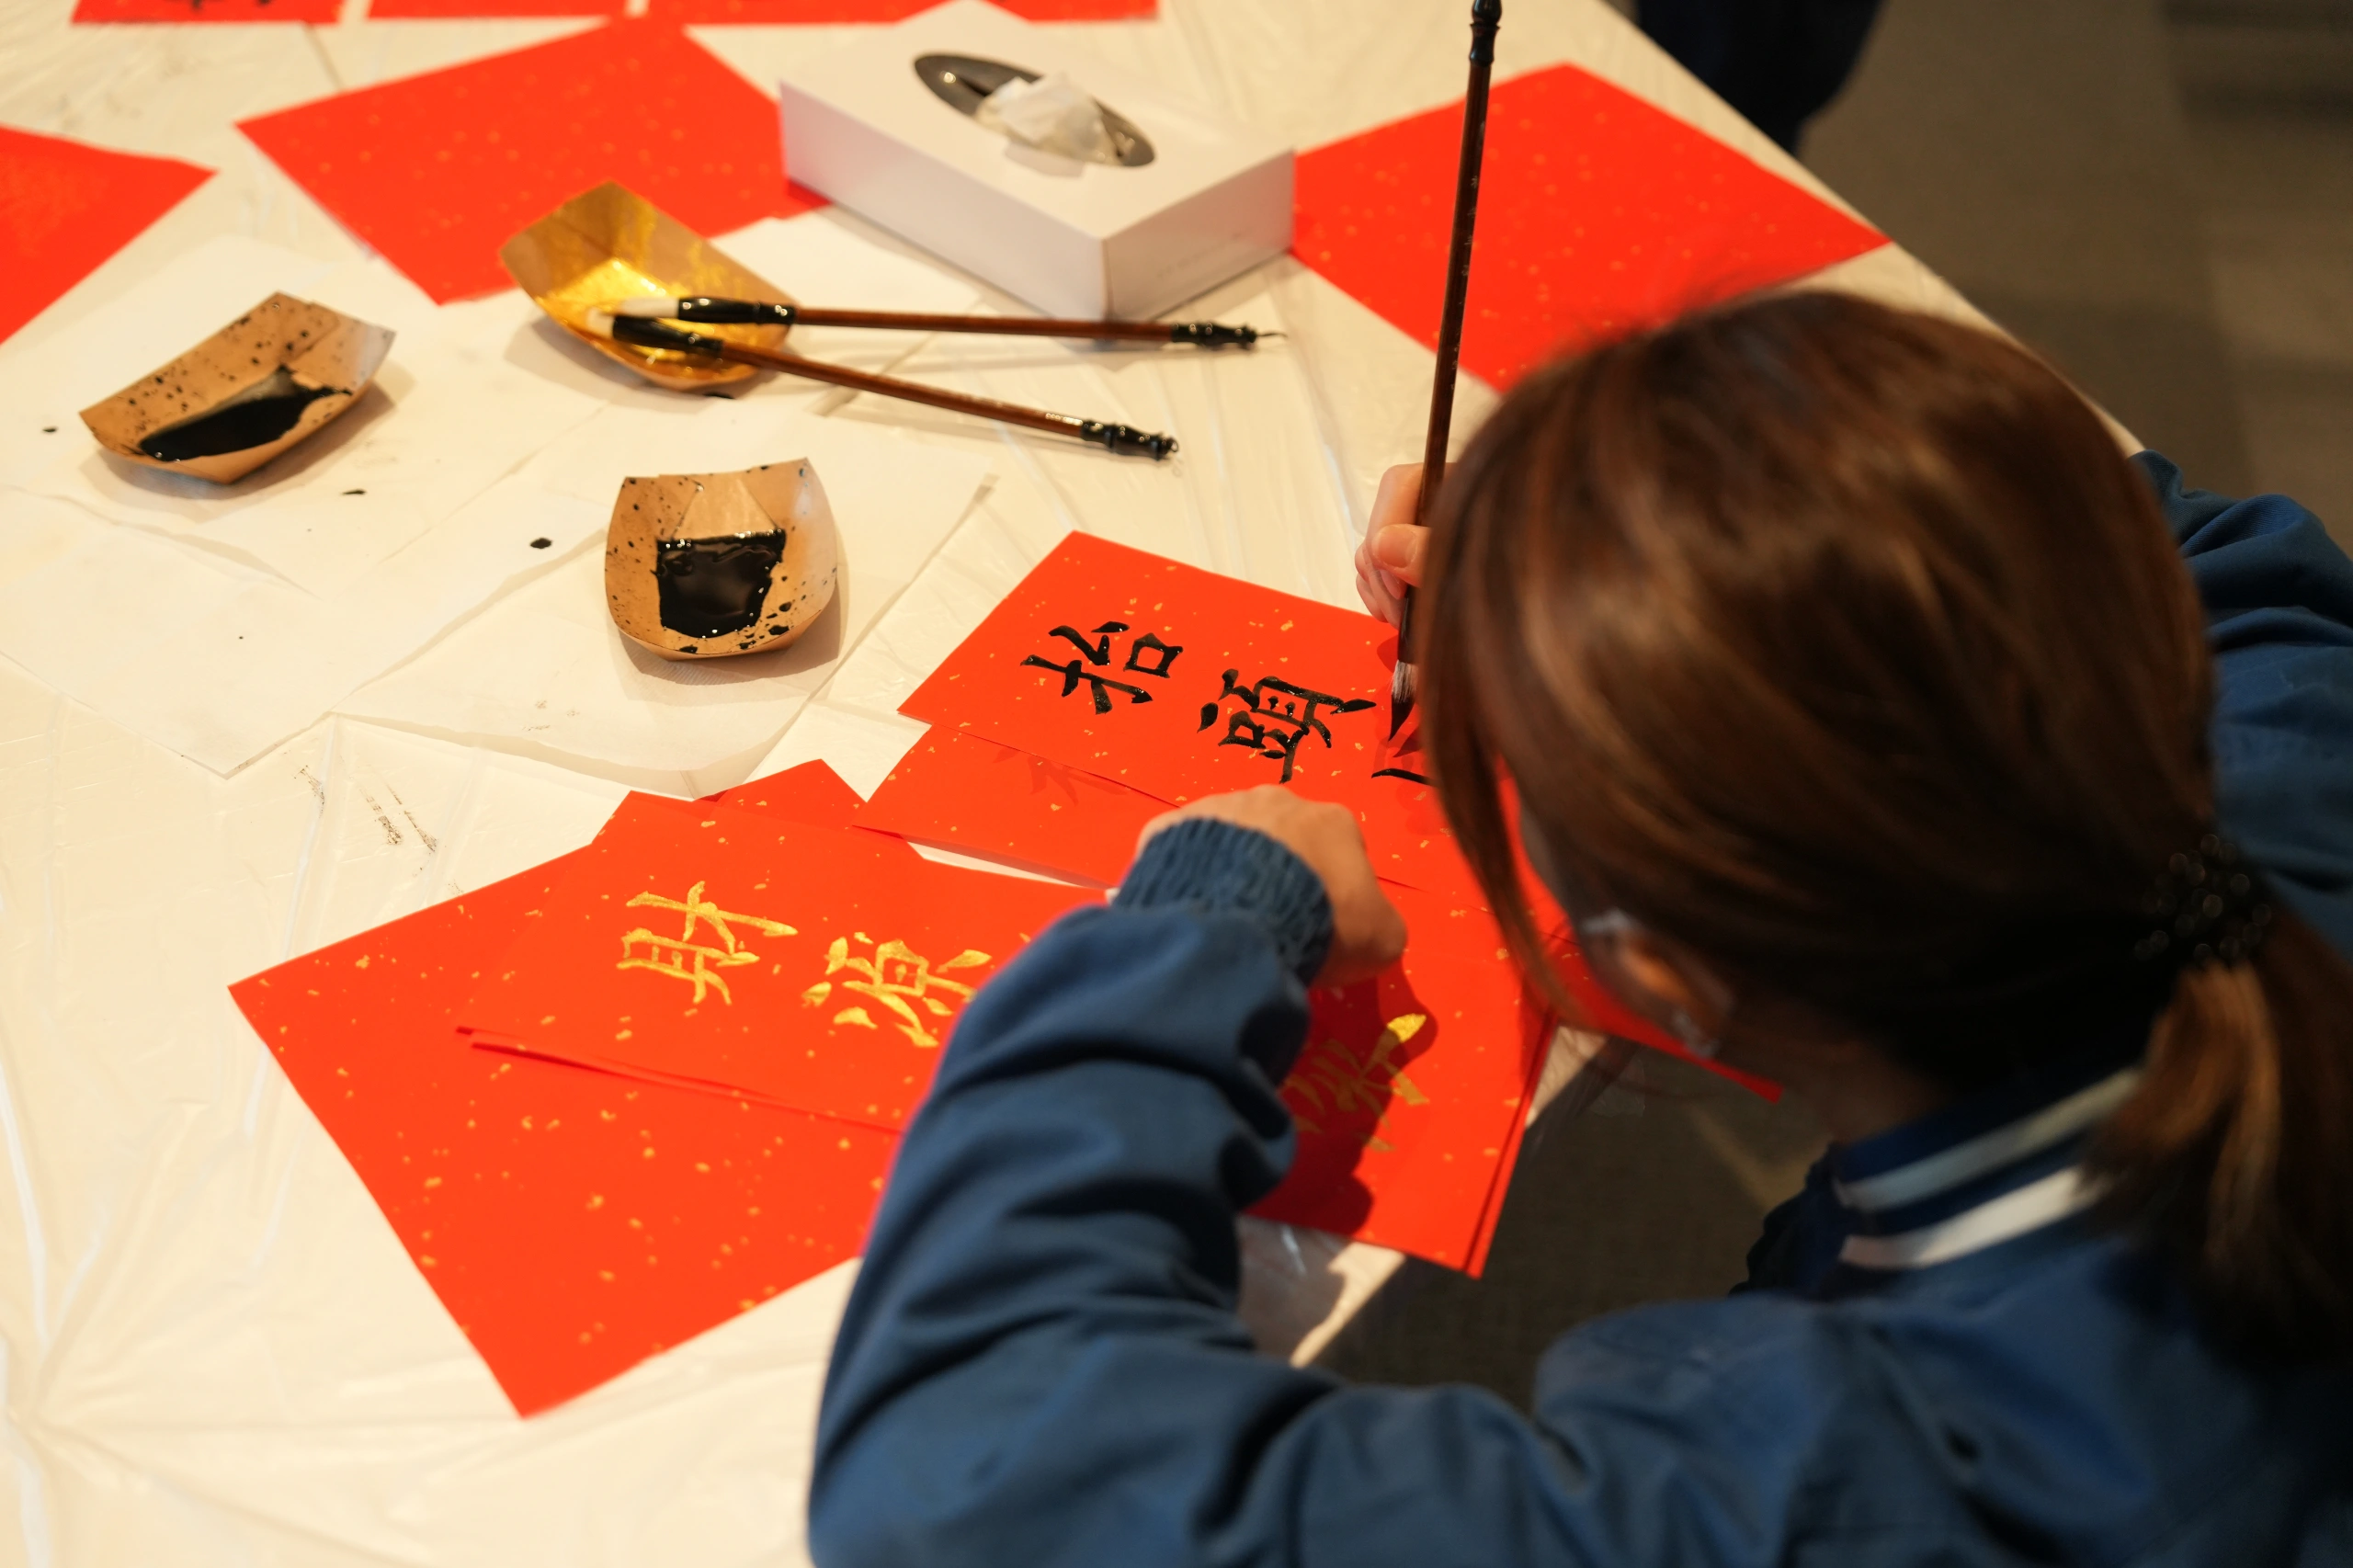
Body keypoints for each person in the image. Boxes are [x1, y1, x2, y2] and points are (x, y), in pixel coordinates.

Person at [809, 292, 2353, 1565]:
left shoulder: (1848, 1492)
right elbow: (2155, 548)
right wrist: (1600, 562)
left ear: (1667, 979)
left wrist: (1198, 925)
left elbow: (968, 1476)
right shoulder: (2280, 814)